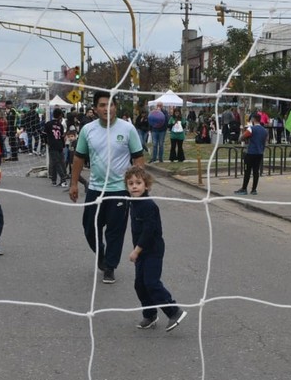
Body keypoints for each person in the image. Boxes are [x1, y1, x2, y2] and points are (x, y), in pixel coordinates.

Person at [69, 91, 145, 284]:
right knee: (89, 228)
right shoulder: (88, 130)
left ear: (115, 107)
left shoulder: (128, 129)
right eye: (102, 105)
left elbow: (138, 157)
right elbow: (78, 157)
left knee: (115, 231)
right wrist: (73, 184)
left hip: (119, 190)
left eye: (110, 105)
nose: (107, 109)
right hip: (95, 188)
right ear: (95, 108)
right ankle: (102, 255)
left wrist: (137, 185)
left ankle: (110, 266)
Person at [125, 165, 188, 331]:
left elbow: (148, 232)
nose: (134, 186)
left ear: (147, 186)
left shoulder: (148, 206)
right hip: (141, 251)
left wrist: (136, 251)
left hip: (152, 250)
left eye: (138, 183)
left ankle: (174, 311)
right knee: (140, 284)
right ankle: (150, 315)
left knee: (151, 283)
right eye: (130, 183)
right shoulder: (133, 202)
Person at [233, 113, 269, 196]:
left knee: (247, 171)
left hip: (251, 152)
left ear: (253, 120)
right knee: (256, 171)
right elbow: (265, 141)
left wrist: (245, 137)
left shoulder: (251, 129)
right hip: (259, 153)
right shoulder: (264, 130)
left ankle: (244, 188)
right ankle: (254, 189)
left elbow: (242, 137)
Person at [43, 108, 67, 186]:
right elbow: (62, 137)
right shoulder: (60, 125)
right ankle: (54, 180)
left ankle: (63, 179)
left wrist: (46, 142)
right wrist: (63, 145)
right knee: (58, 162)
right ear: (60, 116)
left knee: (56, 162)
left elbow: (44, 134)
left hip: (52, 145)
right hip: (59, 144)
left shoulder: (48, 124)